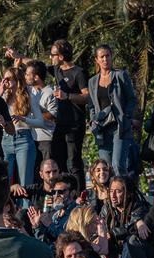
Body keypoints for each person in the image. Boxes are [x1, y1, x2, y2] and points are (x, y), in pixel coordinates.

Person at [87, 44, 138, 178]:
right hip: (102, 128)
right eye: (101, 57)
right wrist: (93, 121)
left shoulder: (120, 75)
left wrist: (126, 116)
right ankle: (110, 197)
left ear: (111, 56)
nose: (105, 59)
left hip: (119, 127)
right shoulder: (92, 81)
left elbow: (132, 99)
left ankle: (125, 196)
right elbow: (91, 105)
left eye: (107, 56)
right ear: (96, 60)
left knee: (117, 165)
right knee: (106, 168)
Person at [48, 39, 90, 176]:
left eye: (53, 54)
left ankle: (79, 195)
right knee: (58, 161)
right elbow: (36, 65)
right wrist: (18, 56)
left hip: (75, 125)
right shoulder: (57, 70)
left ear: (61, 56)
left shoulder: (79, 72)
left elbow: (87, 97)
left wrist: (67, 96)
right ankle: (64, 194)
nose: (50, 57)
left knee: (74, 163)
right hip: (60, 124)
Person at [0, 66, 44, 187]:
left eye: (8, 79)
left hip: (24, 138)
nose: (5, 82)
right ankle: (7, 206)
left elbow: (41, 122)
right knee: (4, 181)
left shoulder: (29, 96)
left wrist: (23, 119)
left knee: (25, 182)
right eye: (4, 79)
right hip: (6, 139)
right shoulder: (3, 97)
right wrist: (0, 91)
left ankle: (25, 205)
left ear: (17, 80)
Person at [24, 60, 58, 165]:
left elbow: (52, 115)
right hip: (31, 139)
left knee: (48, 170)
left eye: (27, 74)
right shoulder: (29, 91)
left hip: (45, 140)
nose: (25, 76)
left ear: (36, 77)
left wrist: (34, 114)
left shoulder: (50, 93)